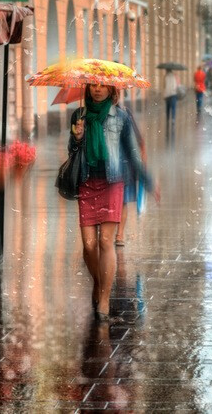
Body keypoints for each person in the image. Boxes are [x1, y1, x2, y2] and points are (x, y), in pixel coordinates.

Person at [69, 85, 158, 321]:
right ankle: (99, 280)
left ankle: (105, 297)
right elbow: (72, 152)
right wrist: (77, 139)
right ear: (88, 88)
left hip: (113, 182)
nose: (97, 90)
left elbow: (132, 153)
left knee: (105, 241)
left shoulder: (121, 117)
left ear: (111, 90)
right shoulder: (79, 115)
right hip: (86, 183)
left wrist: (148, 182)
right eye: (94, 85)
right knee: (89, 245)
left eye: (102, 86)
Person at [115, 100, 146, 247]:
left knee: (123, 201)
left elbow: (137, 139)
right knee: (120, 201)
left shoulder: (124, 113)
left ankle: (120, 233)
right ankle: (115, 233)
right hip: (105, 167)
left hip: (124, 165)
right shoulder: (89, 116)